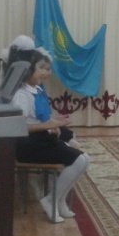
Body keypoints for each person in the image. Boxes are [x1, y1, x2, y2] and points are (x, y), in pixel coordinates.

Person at [12, 49, 90, 223]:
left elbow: (40, 118)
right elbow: (19, 127)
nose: (46, 73)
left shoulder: (37, 89)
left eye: (47, 69)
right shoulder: (21, 95)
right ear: (28, 69)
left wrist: (55, 123)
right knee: (79, 160)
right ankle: (50, 200)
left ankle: (59, 200)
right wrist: (50, 125)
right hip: (28, 146)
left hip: (40, 140)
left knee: (85, 159)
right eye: (41, 68)